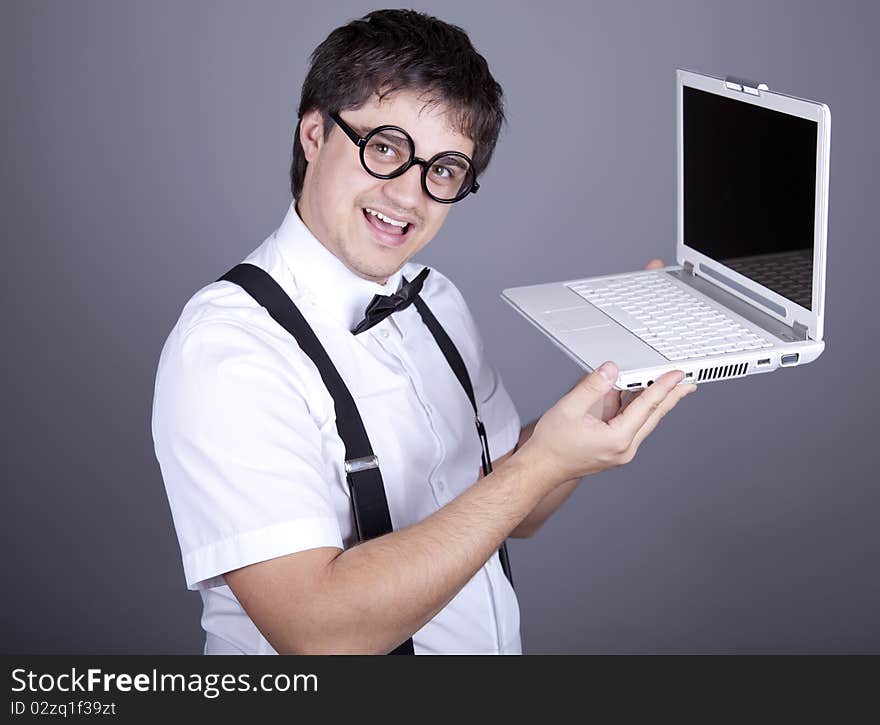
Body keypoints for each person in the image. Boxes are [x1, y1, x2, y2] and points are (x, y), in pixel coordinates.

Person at [151, 8, 696, 655]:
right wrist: (542, 462)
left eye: (443, 169)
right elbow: (318, 631)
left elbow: (512, 508)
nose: (410, 196)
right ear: (314, 134)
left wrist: (607, 398)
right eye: (384, 147)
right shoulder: (228, 347)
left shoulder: (436, 298)